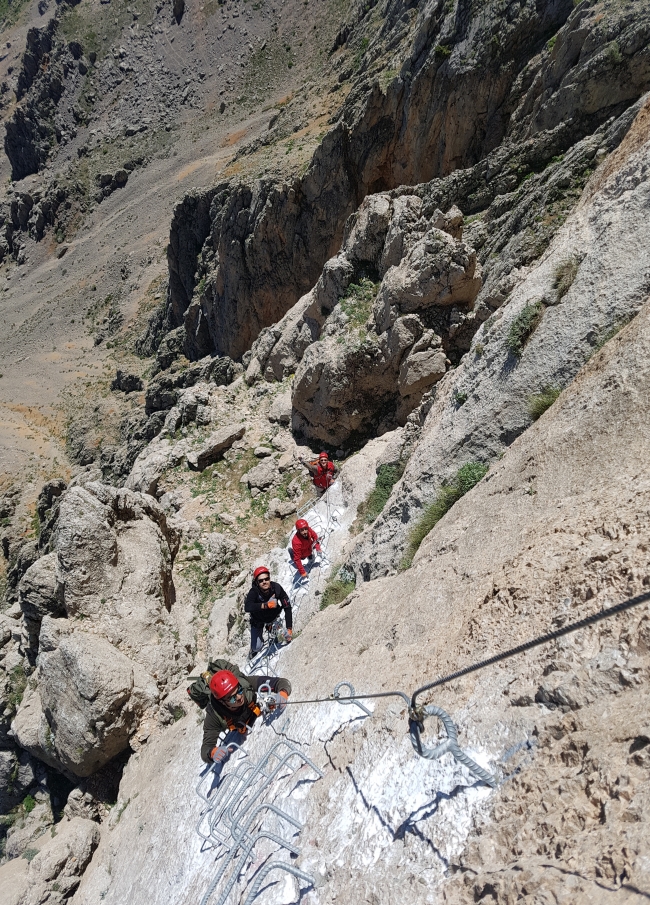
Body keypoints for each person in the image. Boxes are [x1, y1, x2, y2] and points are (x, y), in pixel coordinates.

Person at [199, 659, 291, 764]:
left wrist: (283, 693)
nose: (239, 697)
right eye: (232, 698)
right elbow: (205, 749)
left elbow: (280, 682)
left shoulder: (245, 684)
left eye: (239, 691)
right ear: (222, 702)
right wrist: (212, 752)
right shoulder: (214, 714)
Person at [244, 566, 293, 658]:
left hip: (272, 617)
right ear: (257, 583)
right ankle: (253, 651)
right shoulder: (254, 592)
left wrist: (289, 628)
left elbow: (287, 607)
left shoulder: (277, 588)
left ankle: (270, 628)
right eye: (261, 580)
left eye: (267, 579)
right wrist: (265, 605)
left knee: (287, 637)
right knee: (257, 647)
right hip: (257, 619)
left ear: (270, 578)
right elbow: (248, 607)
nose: (264, 582)